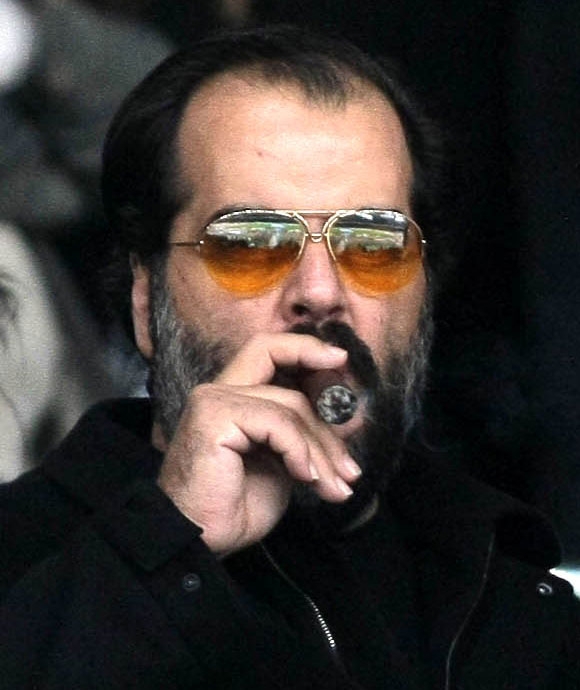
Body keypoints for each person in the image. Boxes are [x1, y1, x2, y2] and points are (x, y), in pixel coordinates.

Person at [0, 25, 578, 690]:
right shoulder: (24, 560)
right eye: (249, 242)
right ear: (145, 300)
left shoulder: (506, 585)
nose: (320, 293)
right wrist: (162, 547)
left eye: (373, 242)